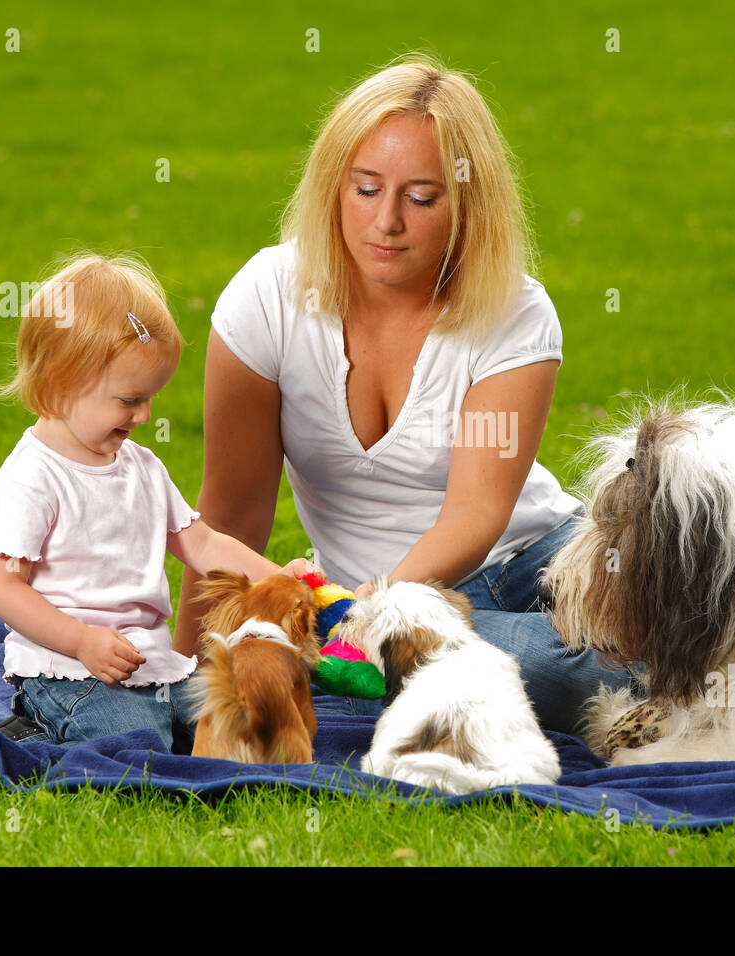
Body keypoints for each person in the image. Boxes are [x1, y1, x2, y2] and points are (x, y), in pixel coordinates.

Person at [175, 54, 632, 733]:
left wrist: (378, 606)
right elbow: (231, 512)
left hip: (537, 560)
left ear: (469, 203)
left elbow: (476, 513)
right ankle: (662, 684)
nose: (386, 221)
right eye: (365, 189)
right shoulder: (266, 299)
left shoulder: (514, 312)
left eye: (421, 199)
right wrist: (184, 672)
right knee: (556, 671)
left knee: (668, 615)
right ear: (334, 184)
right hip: (386, 613)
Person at [0, 252, 318, 751]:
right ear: (60, 382)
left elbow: (202, 544)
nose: (145, 414)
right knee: (136, 743)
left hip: (153, 665)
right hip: (70, 671)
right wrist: (79, 640)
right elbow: (1, 587)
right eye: (130, 399)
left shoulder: (141, 467)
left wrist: (275, 577)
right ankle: (36, 728)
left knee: (227, 715)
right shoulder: (32, 479)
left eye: (151, 397)